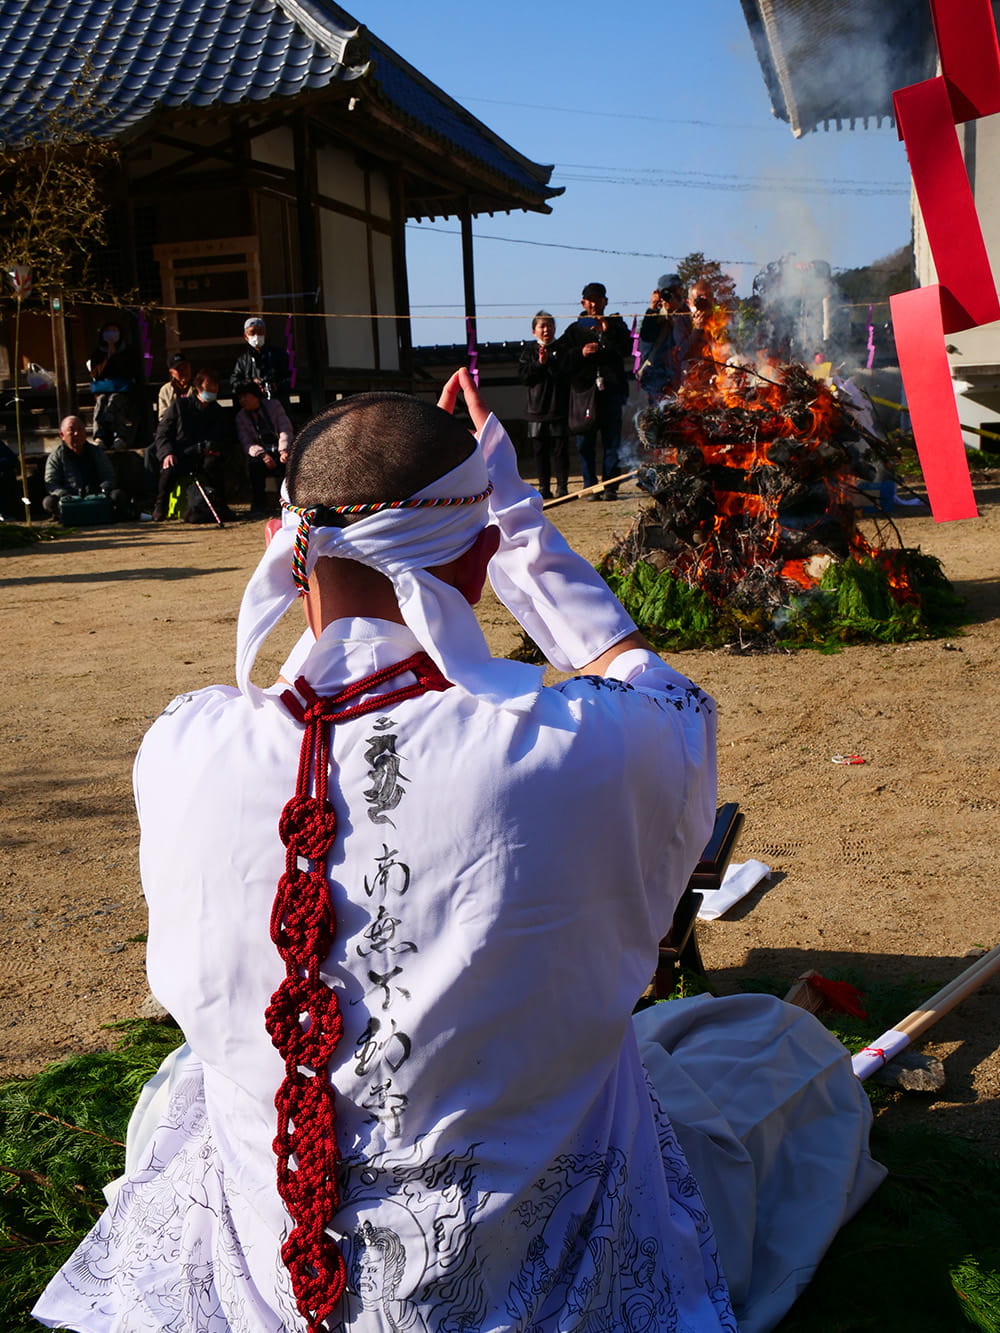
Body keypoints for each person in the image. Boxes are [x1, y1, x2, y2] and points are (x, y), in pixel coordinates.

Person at [34, 371, 883, 1333]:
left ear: (291, 559)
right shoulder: (574, 746)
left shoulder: (183, 748)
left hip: (276, 1263)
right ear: (479, 570)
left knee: (193, 1086)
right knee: (773, 1049)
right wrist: (519, 524)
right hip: (521, 1262)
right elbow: (671, 704)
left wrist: (462, 531)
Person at [561, 282, 632, 498]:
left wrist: (608, 333)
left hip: (611, 392)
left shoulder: (616, 325)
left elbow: (627, 350)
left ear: (605, 301)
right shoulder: (574, 330)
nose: (594, 304)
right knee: (585, 443)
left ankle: (611, 485)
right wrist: (580, 353)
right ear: (583, 303)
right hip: (584, 394)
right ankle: (590, 485)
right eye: (589, 300)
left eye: (598, 299)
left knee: (612, 441)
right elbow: (561, 361)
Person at [151, 368, 234, 521]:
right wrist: (167, 453)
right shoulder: (179, 406)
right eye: (209, 386)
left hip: (205, 456)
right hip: (181, 453)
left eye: (215, 386)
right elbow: (163, 433)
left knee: (214, 465)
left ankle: (221, 506)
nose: (213, 389)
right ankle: (159, 507)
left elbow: (225, 437)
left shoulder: (217, 411)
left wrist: (216, 449)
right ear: (198, 387)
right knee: (169, 467)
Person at [516, 310, 570, 499]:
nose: (546, 329)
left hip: (559, 408)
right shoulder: (528, 352)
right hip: (536, 409)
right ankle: (543, 487)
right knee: (540, 452)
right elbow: (524, 378)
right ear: (534, 331)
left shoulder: (563, 349)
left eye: (550, 325)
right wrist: (539, 363)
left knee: (561, 451)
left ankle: (562, 486)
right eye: (542, 326)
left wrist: (551, 362)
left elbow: (566, 374)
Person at [42, 415, 130, 520]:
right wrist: (63, 494)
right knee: (48, 502)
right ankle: (64, 516)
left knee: (117, 495)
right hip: (69, 499)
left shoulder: (96, 452)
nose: (77, 433)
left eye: (80, 429)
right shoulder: (56, 456)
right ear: (62, 435)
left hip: (96, 497)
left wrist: (103, 488)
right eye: (72, 430)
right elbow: (51, 483)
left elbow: (109, 475)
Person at [235, 380, 294, 516]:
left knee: (289, 464)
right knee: (255, 466)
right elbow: (246, 442)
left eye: (246, 396)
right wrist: (262, 455)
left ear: (255, 396)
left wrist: (284, 450)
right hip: (261, 453)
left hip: (280, 448)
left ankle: (290, 502)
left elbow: (285, 428)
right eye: (240, 398)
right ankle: (259, 505)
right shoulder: (241, 417)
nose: (243, 400)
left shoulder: (274, 406)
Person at [638, 273, 695, 402]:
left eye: (676, 290)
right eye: (668, 292)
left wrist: (676, 312)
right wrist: (653, 309)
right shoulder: (655, 314)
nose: (673, 295)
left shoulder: (686, 312)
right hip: (657, 377)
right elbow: (646, 340)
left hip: (680, 374)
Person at [88, 319, 142, 451]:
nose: (111, 334)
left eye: (114, 331)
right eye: (108, 331)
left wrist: (116, 356)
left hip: (122, 389)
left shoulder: (127, 351)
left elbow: (130, 371)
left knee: (115, 401)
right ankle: (99, 436)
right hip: (103, 389)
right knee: (101, 402)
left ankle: (120, 436)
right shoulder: (98, 352)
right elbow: (95, 373)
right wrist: (107, 357)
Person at [231, 316, 290, 403]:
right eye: (252, 332)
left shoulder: (278, 355)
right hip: (252, 406)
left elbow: (292, 378)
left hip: (277, 403)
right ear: (245, 336)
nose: (257, 336)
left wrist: (276, 386)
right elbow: (235, 383)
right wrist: (251, 384)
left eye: (260, 332)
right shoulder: (243, 360)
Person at [157, 353, 194, 419]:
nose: (184, 371)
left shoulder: (199, 386)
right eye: (179, 369)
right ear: (172, 373)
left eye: (185, 367)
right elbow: (162, 417)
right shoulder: (165, 390)